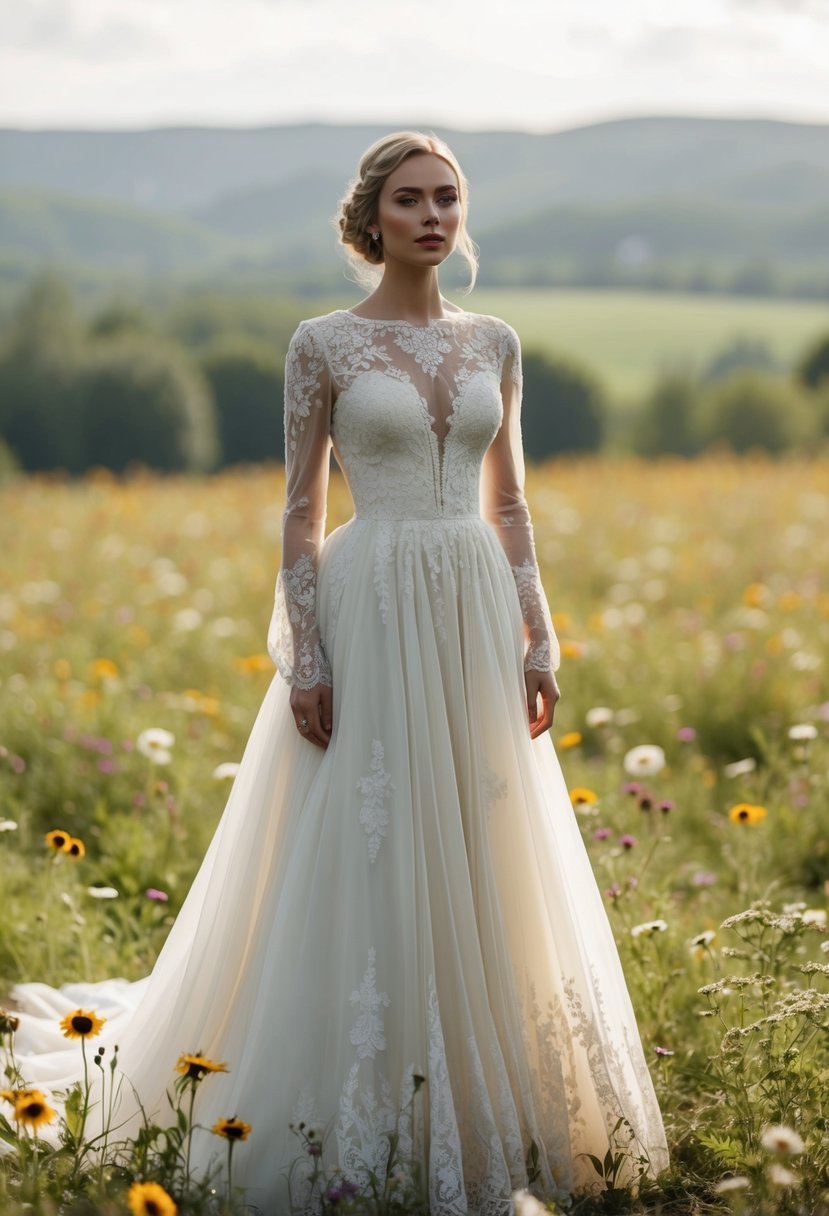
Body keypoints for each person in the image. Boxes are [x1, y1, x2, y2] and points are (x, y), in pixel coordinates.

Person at [5, 131, 668, 1213]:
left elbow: (510, 505)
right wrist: (304, 653)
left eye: (448, 198)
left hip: (472, 610)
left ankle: (497, 1097)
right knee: (373, 841)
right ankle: (350, 1100)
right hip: (368, 610)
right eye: (410, 199)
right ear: (372, 220)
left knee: (479, 837)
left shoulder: (496, 339)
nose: (433, 215)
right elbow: (301, 512)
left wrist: (539, 637)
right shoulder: (320, 344)